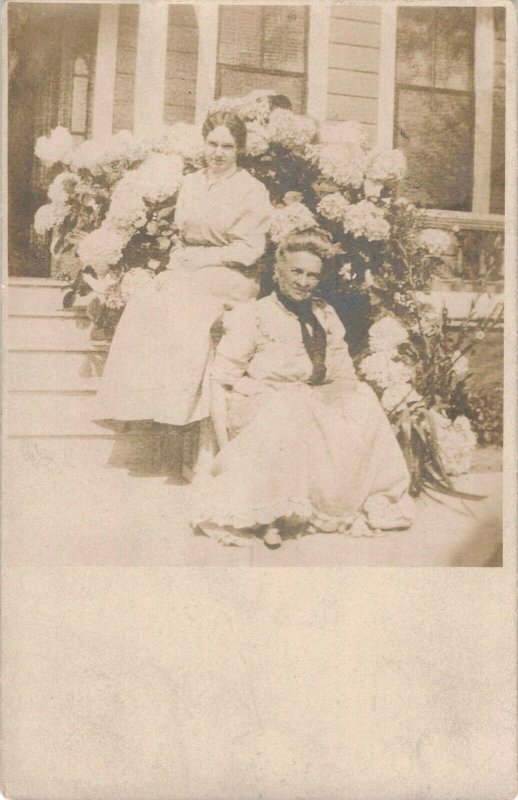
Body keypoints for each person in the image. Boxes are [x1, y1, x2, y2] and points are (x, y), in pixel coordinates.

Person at [191, 231, 414, 548]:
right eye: (296, 271)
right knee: (291, 411)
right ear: (277, 271)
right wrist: (221, 445)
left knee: (363, 402)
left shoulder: (324, 314)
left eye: (312, 275)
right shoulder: (254, 315)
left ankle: (370, 499)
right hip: (260, 402)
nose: (304, 281)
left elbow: (342, 371)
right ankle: (273, 513)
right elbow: (221, 378)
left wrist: (340, 396)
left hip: (308, 399)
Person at [94, 111, 272, 428]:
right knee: (147, 297)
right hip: (191, 268)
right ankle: (135, 406)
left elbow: (250, 250)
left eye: (227, 146)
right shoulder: (191, 183)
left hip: (233, 274)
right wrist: (177, 262)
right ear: (203, 144)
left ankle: (177, 410)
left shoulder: (251, 189)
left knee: (182, 298)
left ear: (239, 149)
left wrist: (201, 261)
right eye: (213, 143)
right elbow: (180, 236)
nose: (218, 152)